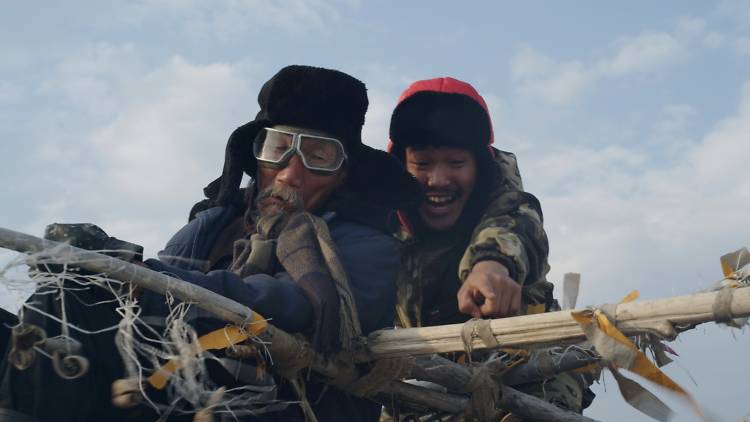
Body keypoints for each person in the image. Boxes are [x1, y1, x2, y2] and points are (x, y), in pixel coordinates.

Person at [0, 65, 421, 422]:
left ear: (344, 173)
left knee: (65, 308)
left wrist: (137, 271)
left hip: (269, 400)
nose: (291, 174)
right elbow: (155, 291)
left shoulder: (367, 246)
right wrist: (98, 265)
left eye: (319, 156)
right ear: (256, 155)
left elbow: (290, 305)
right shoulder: (214, 222)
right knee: (33, 319)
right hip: (165, 371)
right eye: (278, 147)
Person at [387, 77, 591, 415]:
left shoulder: (512, 206)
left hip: (524, 380)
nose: (437, 180)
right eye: (421, 164)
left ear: (479, 168)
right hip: (419, 384)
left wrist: (491, 266)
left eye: (455, 163)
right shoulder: (377, 224)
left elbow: (513, 228)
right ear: (400, 165)